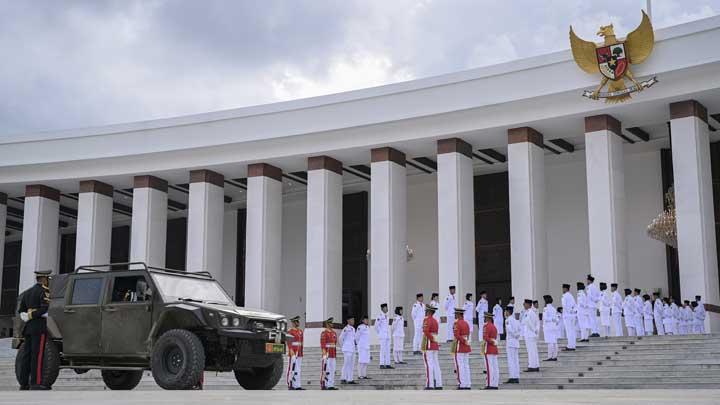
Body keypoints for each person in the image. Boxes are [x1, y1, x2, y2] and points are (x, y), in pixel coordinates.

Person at [17, 269, 52, 391]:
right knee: (37, 355)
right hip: (38, 327)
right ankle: (36, 383)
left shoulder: (27, 292)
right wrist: (31, 315)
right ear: (44, 279)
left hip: (28, 327)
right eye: (48, 279)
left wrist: (26, 316)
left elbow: (21, 310)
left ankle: (23, 383)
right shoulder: (44, 291)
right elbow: (44, 309)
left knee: (27, 355)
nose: (48, 281)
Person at [422, 303, 442, 390]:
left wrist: (432, 339)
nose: (425, 312)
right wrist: (434, 339)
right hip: (434, 344)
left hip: (429, 344)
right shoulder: (435, 321)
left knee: (428, 365)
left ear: (428, 311)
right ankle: (438, 384)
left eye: (426, 311)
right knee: (436, 365)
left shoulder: (427, 320)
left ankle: (429, 384)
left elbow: (426, 332)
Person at [452, 307, 471, 390]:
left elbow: (456, 335)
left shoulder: (457, 323)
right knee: (466, 365)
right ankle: (467, 383)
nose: (455, 315)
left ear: (459, 314)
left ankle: (461, 384)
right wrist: (466, 341)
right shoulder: (466, 323)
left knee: (460, 366)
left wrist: (463, 340)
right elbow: (468, 334)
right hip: (466, 345)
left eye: (456, 314)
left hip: (459, 345)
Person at [286, 316, 305, 390]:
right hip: (293, 352)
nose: (298, 323)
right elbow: (289, 342)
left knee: (298, 369)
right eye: (296, 322)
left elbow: (301, 342)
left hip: (299, 352)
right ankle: (290, 384)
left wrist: (301, 352)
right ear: (293, 323)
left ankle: (297, 385)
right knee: (291, 368)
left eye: (298, 321)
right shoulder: (290, 331)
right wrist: (291, 351)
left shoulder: (300, 331)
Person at [482, 312, 500, 389]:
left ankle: (489, 384)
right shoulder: (494, 327)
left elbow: (485, 337)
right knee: (495, 367)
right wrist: (493, 341)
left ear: (488, 318)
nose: (484, 318)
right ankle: (495, 383)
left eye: (485, 317)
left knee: (489, 367)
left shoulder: (486, 326)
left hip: (488, 348)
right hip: (494, 348)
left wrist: (492, 341)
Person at [521, 299, 540, 372]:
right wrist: (535, 331)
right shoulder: (530, 312)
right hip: (531, 334)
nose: (523, 305)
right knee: (533, 350)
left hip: (530, 335)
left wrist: (534, 331)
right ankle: (535, 365)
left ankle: (532, 366)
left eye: (525, 304)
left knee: (531, 351)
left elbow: (529, 322)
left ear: (529, 305)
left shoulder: (530, 312)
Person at [320, 317, 338, 390]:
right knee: (326, 369)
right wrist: (324, 353)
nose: (332, 324)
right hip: (327, 353)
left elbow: (335, 343)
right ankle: (324, 384)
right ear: (327, 324)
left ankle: (331, 385)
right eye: (330, 323)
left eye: (332, 323)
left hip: (333, 353)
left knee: (332, 369)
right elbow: (323, 344)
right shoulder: (324, 333)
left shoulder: (334, 333)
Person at [504, 308, 521, 384]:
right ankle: (516, 376)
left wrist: (514, 335)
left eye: (505, 311)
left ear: (508, 312)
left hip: (511, 342)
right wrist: (517, 336)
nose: (505, 312)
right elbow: (519, 330)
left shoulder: (508, 320)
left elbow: (509, 329)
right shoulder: (516, 320)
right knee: (516, 360)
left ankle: (512, 377)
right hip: (516, 342)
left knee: (511, 360)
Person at [339, 316, 356, 384]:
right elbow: (340, 338)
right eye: (352, 320)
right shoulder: (345, 329)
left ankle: (350, 379)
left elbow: (353, 339)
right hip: (347, 349)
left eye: (353, 320)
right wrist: (343, 346)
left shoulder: (353, 329)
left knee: (351, 364)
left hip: (352, 349)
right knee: (346, 364)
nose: (353, 321)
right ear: (348, 321)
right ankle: (343, 378)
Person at [542, 295, 559, 361]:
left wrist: (551, 319)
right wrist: (554, 320)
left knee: (550, 342)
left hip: (548, 327)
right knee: (554, 342)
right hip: (554, 326)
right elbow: (557, 319)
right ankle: (555, 356)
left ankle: (550, 356)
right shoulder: (553, 308)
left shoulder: (545, 309)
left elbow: (545, 318)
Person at [375, 303, 392, 369]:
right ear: (382, 309)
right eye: (385, 307)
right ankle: (381, 364)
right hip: (382, 335)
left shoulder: (387, 316)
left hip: (387, 335)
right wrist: (380, 333)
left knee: (387, 350)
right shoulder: (380, 316)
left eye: (387, 307)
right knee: (383, 350)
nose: (387, 308)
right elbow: (376, 326)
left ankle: (388, 364)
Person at [561, 284, 577, 351]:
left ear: (565, 289)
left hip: (567, 316)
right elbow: (575, 306)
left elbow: (564, 306)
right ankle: (573, 345)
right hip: (572, 316)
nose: (562, 290)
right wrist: (573, 312)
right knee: (572, 331)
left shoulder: (564, 296)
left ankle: (570, 346)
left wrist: (569, 311)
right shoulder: (571, 296)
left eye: (563, 288)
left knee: (569, 331)